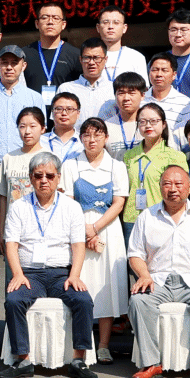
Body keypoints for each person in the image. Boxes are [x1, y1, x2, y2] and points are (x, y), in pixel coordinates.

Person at [0, 154, 98, 378]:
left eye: (50, 176)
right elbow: (11, 244)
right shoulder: (19, 207)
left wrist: (74, 275)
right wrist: (17, 274)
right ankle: (23, 360)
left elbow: (78, 245)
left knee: (83, 300)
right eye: (38, 175)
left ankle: (78, 360)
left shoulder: (72, 207)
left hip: (61, 274)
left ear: (58, 178)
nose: (44, 180)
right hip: (29, 274)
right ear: (31, 178)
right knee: (14, 300)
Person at [127, 164, 190, 378]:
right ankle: (151, 363)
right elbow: (135, 254)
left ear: (189, 188)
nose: (173, 189)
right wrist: (144, 275)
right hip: (157, 280)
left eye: (178, 184)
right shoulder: (147, 216)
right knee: (138, 301)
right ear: (160, 187)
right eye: (167, 184)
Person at [67, 118, 130, 361]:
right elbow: (69, 202)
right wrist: (84, 231)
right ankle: (81, 343)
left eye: (97, 135)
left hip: (108, 230)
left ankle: (103, 345)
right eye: (87, 135)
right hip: (77, 229)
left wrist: (95, 228)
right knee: (81, 282)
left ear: (106, 138)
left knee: (107, 285)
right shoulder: (71, 165)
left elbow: (118, 203)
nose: (91, 140)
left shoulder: (117, 167)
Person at [123, 103, 188, 234]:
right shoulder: (129, 156)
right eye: (143, 121)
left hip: (161, 217)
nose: (148, 126)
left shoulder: (175, 156)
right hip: (131, 219)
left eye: (153, 121)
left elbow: (182, 192)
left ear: (163, 124)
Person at [0, 46, 45, 155]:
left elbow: (41, 135)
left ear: (23, 66)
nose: (9, 67)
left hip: (26, 160)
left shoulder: (35, 98)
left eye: (14, 63)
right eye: (4, 63)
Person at [28, 6, 83, 92]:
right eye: (45, 18)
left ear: (63, 24)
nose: (50, 22)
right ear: (37, 24)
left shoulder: (76, 55)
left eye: (56, 18)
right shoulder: (25, 54)